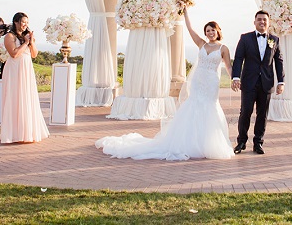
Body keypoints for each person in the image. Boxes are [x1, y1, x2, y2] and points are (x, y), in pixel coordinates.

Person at [96, 9, 234, 160]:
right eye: (207, 31)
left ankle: (207, 143)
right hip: (198, 81)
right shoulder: (201, 43)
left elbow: (228, 67)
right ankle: (189, 142)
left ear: (218, 31)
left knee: (209, 108)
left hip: (211, 83)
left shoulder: (223, 49)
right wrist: (185, 12)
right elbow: (190, 29)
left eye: (212, 30)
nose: (210, 33)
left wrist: (235, 79)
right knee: (193, 107)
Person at [231, 10, 284, 154]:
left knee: (263, 114)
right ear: (254, 22)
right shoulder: (245, 38)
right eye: (259, 19)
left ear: (268, 22)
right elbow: (238, 58)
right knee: (245, 112)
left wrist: (281, 81)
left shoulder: (274, 40)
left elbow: (278, 61)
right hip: (248, 82)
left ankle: (258, 143)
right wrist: (236, 77)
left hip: (266, 83)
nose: (262, 22)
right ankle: (241, 142)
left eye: (265, 20)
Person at [0, 12, 49, 144]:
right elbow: (14, 54)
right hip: (14, 70)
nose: (25, 25)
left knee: (27, 97)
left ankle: (27, 132)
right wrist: (25, 43)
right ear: (16, 22)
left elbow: (34, 54)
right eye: (23, 22)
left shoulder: (27, 36)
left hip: (26, 69)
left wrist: (31, 42)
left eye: (27, 22)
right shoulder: (9, 36)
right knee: (15, 98)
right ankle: (14, 133)